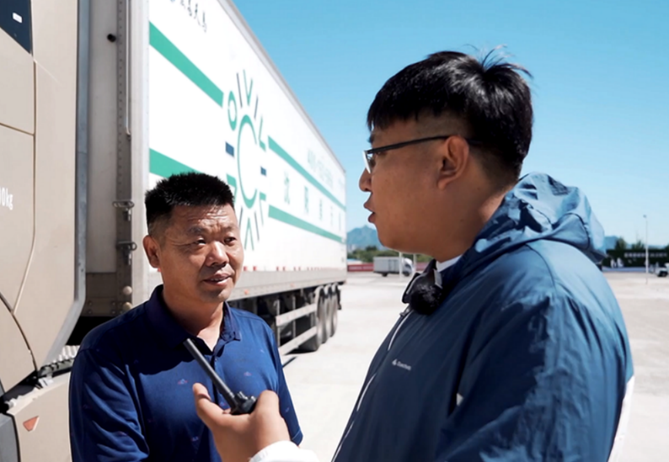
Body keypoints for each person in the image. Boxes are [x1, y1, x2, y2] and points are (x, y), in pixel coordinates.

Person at [192, 50, 635, 462]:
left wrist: (269, 455)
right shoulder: (458, 282)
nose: (364, 181)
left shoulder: (545, 306)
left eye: (377, 155)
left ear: (449, 160)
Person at [69, 172, 302, 461]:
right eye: (199, 242)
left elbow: (287, 443)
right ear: (154, 252)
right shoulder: (107, 353)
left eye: (229, 239)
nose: (220, 256)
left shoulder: (258, 333)